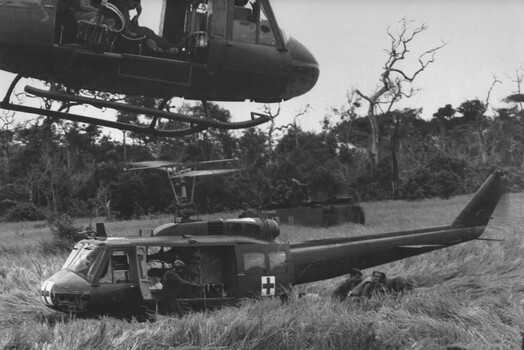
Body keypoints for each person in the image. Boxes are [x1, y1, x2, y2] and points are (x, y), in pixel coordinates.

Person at [110, 0, 178, 54]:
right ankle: (168, 45)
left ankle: (167, 46)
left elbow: (130, 26)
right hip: (125, 37)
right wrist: (130, 33)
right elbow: (127, 29)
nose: (135, 7)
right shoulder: (123, 7)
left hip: (129, 34)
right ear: (130, 1)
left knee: (148, 32)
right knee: (147, 32)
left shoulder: (124, 8)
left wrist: (138, 15)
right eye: (135, 4)